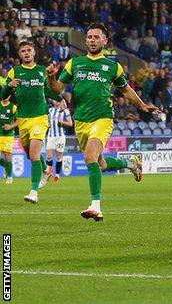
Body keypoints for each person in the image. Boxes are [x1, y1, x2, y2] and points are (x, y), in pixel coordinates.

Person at [46, 23, 159, 221]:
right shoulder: (75, 63)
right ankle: (130, 163)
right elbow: (57, 89)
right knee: (101, 164)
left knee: (90, 157)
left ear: (105, 41)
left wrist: (142, 105)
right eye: (89, 37)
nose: (91, 40)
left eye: (96, 37)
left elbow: (126, 90)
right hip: (81, 121)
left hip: (103, 118)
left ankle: (95, 206)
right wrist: (50, 76)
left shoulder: (113, 67)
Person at [1, 41, 62, 203]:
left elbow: (47, 91)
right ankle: (46, 170)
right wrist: (9, 86)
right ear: (19, 55)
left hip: (40, 117)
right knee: (29, 155)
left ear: (34, 52)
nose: (26, 53)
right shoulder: (15, 72)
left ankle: (34, 192)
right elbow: (3, 95)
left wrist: (60, 99)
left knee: (34, 154)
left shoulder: (42, 71)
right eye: (23, 51)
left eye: (29, 50)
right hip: (22, 119)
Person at [45, 99, 73, 182]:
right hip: (50, 136)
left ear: (61, 101)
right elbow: (47, 122)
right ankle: (49, 172)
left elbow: (70, 123)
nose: (56, 101)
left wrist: (62, 122)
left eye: (58, 100)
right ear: (53, 101)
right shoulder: (49, 110)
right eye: (55, 100)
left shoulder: (65, 111)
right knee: (49, 156)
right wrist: (48, 125)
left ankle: (57, 174)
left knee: (59, 156)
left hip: (60, 136)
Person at [0, 95, 17, 184]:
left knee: (7, 157)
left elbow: (19, 120)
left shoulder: (13, 107)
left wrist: (10, 126)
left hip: (8, 136)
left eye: (7, 94)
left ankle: (10, 177)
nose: (5, 96)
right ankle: (7, 168)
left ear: (10, 96)